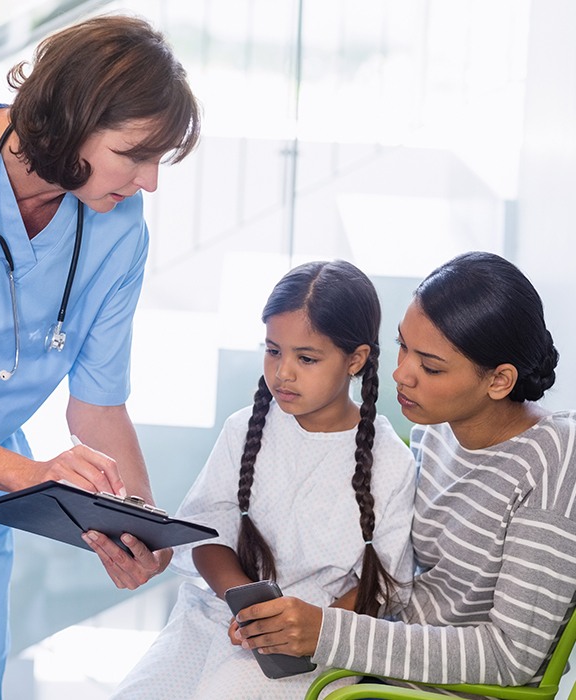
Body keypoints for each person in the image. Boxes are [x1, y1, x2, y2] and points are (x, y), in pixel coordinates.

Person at [0, 13, 200, 699]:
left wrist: (137, 523)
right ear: (69, 119)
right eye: (135, 154)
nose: (149, 182)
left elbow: (96, 403)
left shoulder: (120, 226)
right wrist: (29, 475)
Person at [233, 251, 576, 690]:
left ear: (499, 380)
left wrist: (328, 631)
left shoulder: (555, 458)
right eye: (402, 347)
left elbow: (511, 658)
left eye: (430, 366)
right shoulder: (437, 435)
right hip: (377, 663)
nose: (400, 374)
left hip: (433, 692)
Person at [112, 260, 416, 699]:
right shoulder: (244, 430)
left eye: (306, 358)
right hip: (217, 617)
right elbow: (208, 536)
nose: (283, 372)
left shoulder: (390, 461)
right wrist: (248, 609)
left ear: (356, 359)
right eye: (273, 350)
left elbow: (382, 586)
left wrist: (301, 629)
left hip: (314, 642)